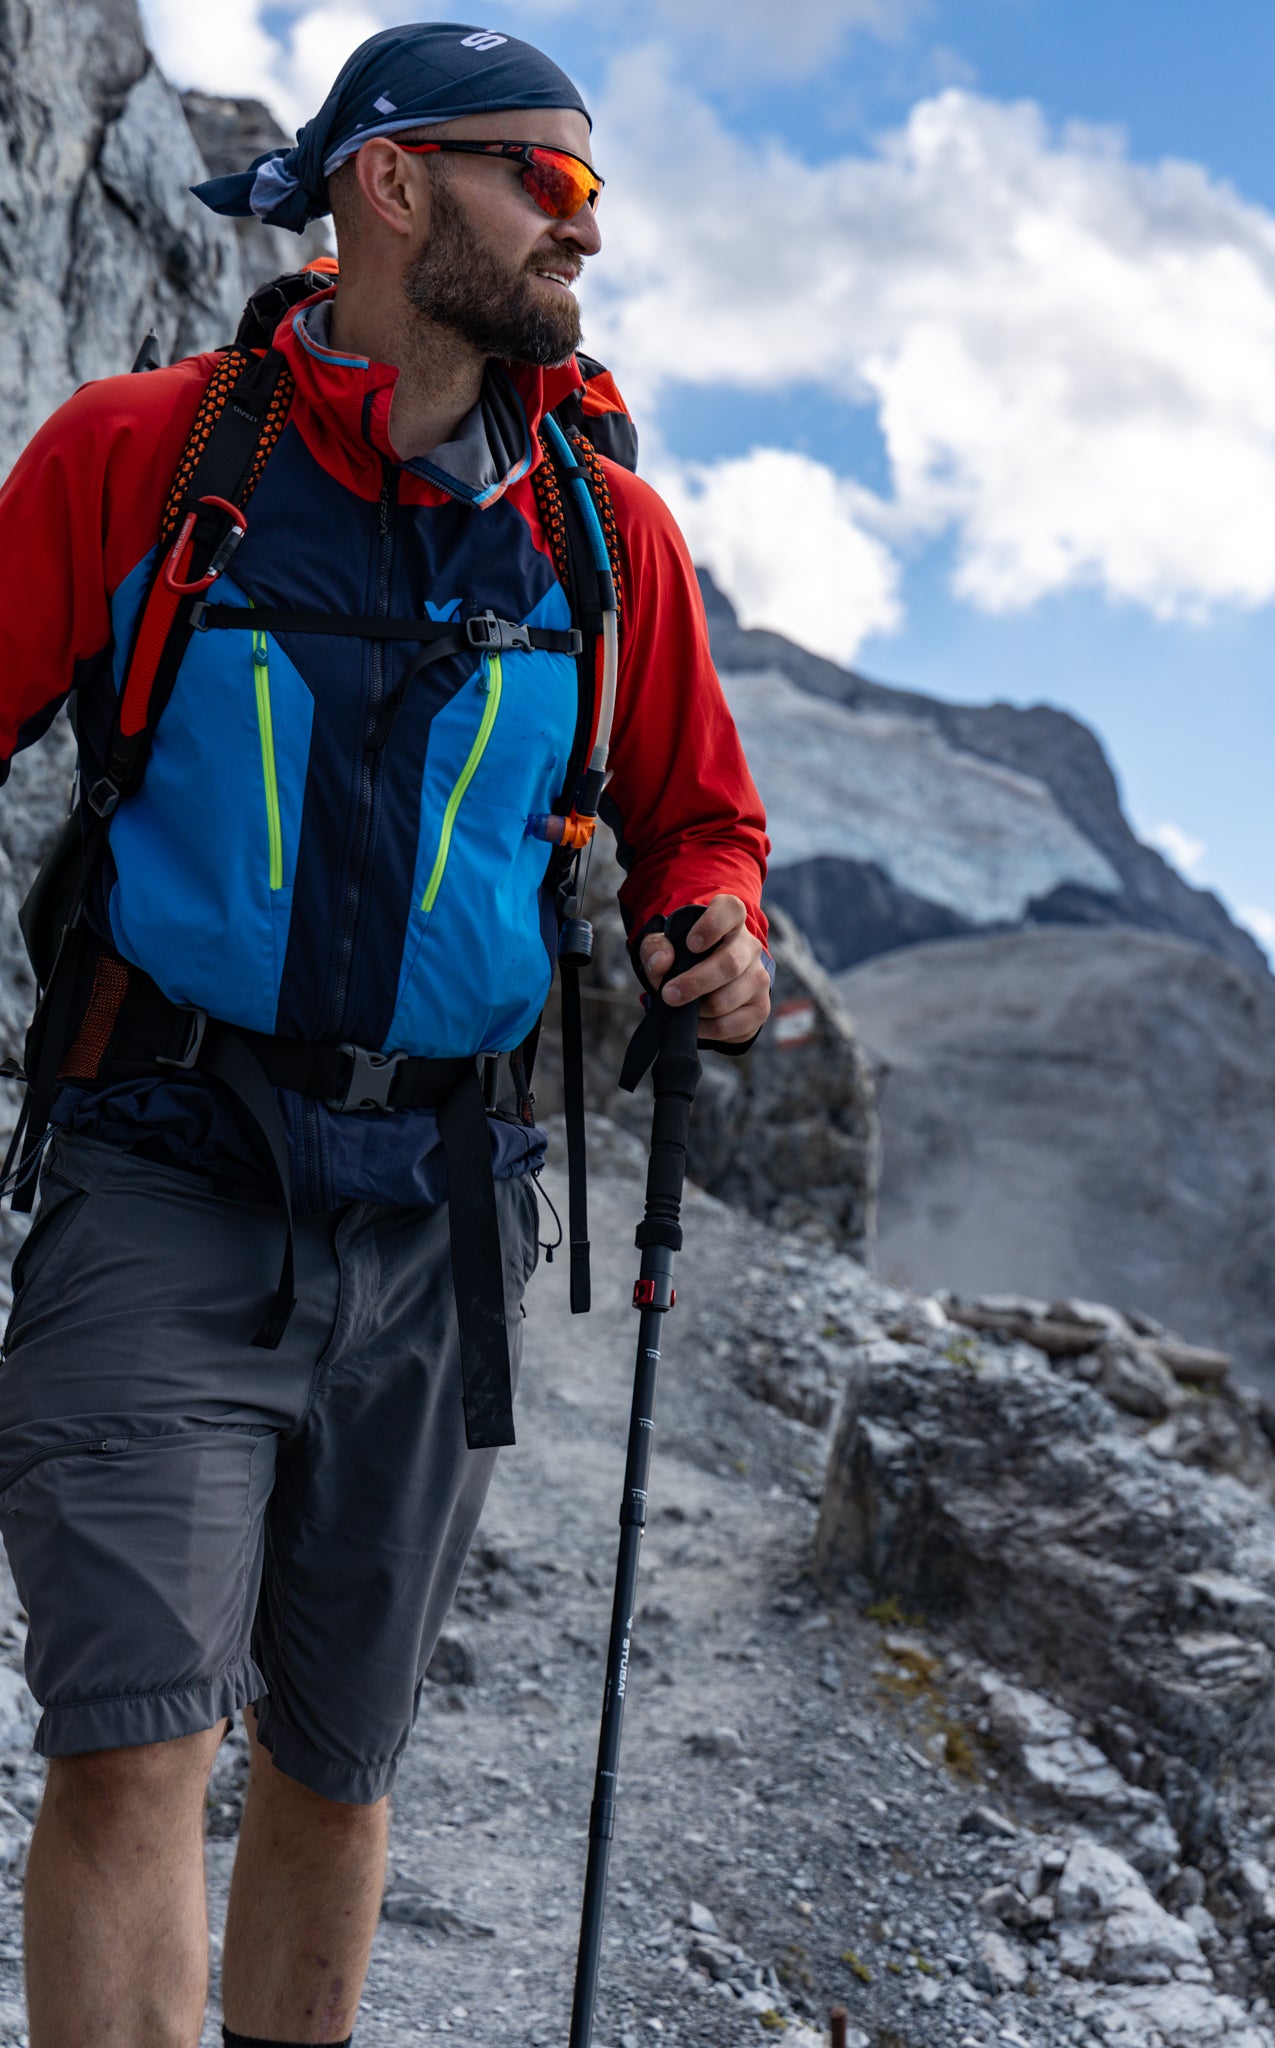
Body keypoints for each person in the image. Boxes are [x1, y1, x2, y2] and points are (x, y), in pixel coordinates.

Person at [0, 22, 770, 2047]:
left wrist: (724, 934)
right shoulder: (151, 457)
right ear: (391, 181)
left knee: (336, 1770)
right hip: (158, 1165)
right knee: (133, 1745)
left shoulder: (610, 541)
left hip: (440, 1218)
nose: (581, 230)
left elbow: (697, 818)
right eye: (551, 178)